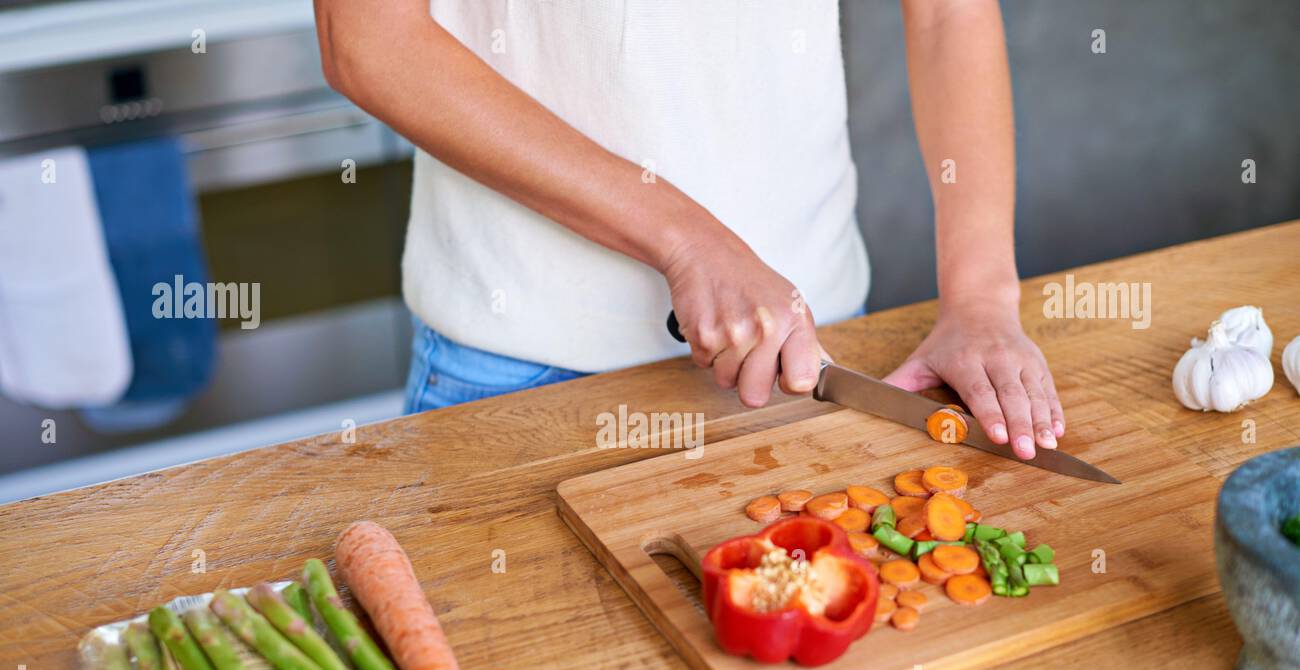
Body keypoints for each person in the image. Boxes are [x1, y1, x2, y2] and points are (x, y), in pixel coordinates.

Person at [315, 0, 1064, 459]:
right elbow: (370, 41)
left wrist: (981, 298)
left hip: (816, 351)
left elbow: (948, 12)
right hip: (518, 363)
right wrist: (685, 239)